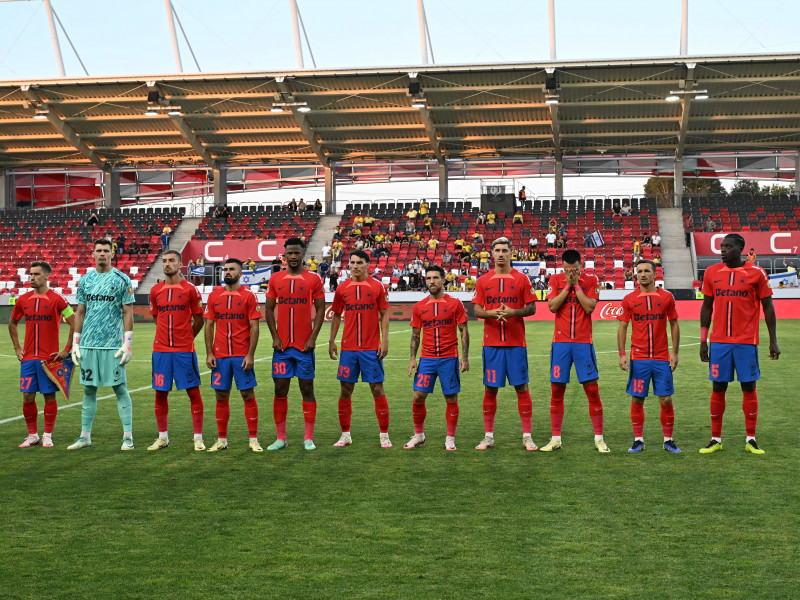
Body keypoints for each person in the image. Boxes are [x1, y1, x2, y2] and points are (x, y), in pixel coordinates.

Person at [699, 233, 779, 455]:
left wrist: (773, 340)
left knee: (749, 387)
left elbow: (769, 307)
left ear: (740, 249)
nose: (722, 250)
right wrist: (703, 340)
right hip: (719, 342)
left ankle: (751, 439)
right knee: (718, 387)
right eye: (721, 246)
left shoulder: (757, 273)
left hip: (746, 342)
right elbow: (706, 308)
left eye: (727, 246)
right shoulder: (711, 273)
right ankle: (715, 439)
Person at [68, 239, 135, 450]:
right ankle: (85, 436)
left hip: (113, 346)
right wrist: (76, 343)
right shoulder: (86, 280)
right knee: (88, 390)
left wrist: (128, 343)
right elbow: (80, 311)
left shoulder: (122, 279)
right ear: (93, 254)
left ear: (112, 254)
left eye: (106, 250)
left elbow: (128, 312)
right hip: (89, 345)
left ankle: (128, 437)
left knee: (120, 388)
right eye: (99, 250)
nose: (102, 254)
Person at [472, 237, 537, 451]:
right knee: (490, 389)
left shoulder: (522, 279)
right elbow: (478, 310)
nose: (501, 254)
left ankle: (527, 436)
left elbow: (532, 308)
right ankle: (488, 436)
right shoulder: (482, 281)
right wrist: (493, 313)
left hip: (516, 343)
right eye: (497, 250)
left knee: (521, 387)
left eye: (505, 250)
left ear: (511, 253)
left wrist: (512, 312)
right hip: (491, 345)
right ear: (492, 254)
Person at [541, 248, 610, 453]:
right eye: (568, 269)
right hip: (560, 344)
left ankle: (599, 439)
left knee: (591, 390)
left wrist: (576, 286)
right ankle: (555, 439)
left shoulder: (591, 280)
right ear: (562, 266)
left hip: (583, 343)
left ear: (581, 266)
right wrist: (567, 288)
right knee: (557, 390)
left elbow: (589, 308)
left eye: (575, 269)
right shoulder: (554, 280)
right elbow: (552, 307)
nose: (571, 273)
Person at [265, 238, 326, 451]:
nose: (292, 256)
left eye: (296, 253)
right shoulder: (275, 278)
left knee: (306, 388)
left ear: (303, 255)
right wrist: (274, 336)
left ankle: (308, 438)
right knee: (280, 389)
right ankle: (281, 438)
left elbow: (320, 310)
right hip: (281, 348)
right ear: (284, 255)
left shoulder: (314, 279)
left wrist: (313, 338)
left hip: (304, 347)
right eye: (289, 253)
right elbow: (269, 309)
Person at [328, 250, 391, 448]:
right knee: (345, 390)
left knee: (377, 389)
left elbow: (384, 315)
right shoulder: (342, 288)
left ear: (367, 264)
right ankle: (345, 435)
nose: (354, 266)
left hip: (371, 348)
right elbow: (336, 315)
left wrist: (385, 341)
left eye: (359, 262)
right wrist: (332, 340)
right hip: (348, 349)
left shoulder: (377, 286)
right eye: (352, 262)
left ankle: (384, 435)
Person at [617, 260, 681, 453]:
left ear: (654, 275)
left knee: (666, 399)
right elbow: (622, 327)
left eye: (646, 271)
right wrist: (622, 354)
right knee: (637, 399)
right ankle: (638, 440)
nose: (642, 274)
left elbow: (674, 324)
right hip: (639, 358)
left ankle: (668, 440)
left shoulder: (667, 297)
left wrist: (675, 352)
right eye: (639, 272)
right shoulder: (629, 299)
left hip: (662, 358)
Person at [9, 261, 75, 448]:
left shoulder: (58, 299)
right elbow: (12, 323)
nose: (32, 277)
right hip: (29, 358)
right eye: (31, 274)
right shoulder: (23, 299)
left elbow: (74, 322)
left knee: (49, 397)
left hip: (49, 359)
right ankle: (32, 435)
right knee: (28, 396)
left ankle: (47, 435)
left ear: (47, 276)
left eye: (37, 274)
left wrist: (66, 350)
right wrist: (17, 347)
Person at [405, 265, 469, 451]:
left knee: (450, 397)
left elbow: (464, 331)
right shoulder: (419, 307)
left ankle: (450, 438)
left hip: (449, 358)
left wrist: (464, 357)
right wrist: (412, 358)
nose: (431, 281)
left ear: (443, 280)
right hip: (427, 358)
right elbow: (415, 335)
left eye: (435, 278)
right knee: (418, 396)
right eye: (428, 278)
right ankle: (419, 435)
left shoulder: (455, 303)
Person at [146, 250, 205, 452]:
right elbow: (156, 317)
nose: (167, 264)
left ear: (180, 264)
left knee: (193, 391)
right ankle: (163, 437)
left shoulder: (191, 290)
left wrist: (187, 337)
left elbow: (199, 320)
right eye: (164, 261)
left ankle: (198, 437)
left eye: (171, 261)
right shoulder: (155, 291)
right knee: (160, 393)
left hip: (184, 350)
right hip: (161, 350)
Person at [204, 258, 263, 452]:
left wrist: (250, 355)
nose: (227, 272)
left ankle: (253, 439)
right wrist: (209, 352)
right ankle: (222, 440)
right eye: (225, 269)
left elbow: (255, 327)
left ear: (240, 274)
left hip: (241, 355)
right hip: (220, 356)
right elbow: (209, 325)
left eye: (231, 269)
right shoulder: (214, 296)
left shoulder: (249, 297)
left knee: (247, 394)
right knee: (221, 396)